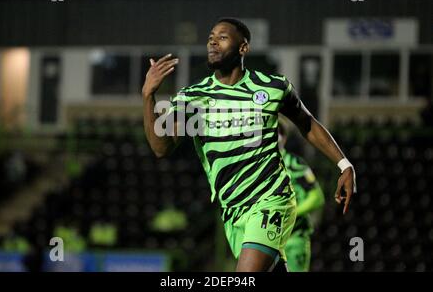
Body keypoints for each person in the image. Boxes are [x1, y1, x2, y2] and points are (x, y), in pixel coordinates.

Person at [142, 18, 356, 272]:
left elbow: (307, 124)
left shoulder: (272, 87)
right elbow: (160, 147)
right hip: (233, 211)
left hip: (270, 199)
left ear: (243, 48)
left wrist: (344, 165)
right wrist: (148, 96)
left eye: (222, 37)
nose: (212, 41)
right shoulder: (193, 97)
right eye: (211, 36)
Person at [278, 122, 325, 272]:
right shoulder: (258, 166)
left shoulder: (294, 164)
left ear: (283, 138)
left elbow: (317, 197)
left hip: (294, 239)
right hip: (268, 240)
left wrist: (292, 213)